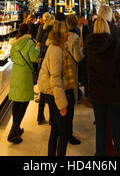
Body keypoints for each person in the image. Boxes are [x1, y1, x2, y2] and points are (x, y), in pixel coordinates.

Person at [84, 17, 120, 156]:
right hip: (114, 93)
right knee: (117, 130)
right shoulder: (116, 45)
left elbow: (87, 70)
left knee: (101, 129)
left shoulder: (89, 46)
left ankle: (100, 155)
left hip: (97, 93)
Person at [38, 20, 76, 156]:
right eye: (66, 32)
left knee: (55, 129)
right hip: (55, 94)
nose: (68, 34)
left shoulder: (59, 48)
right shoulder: (56, 50)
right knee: (63, 132)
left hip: (55, 92)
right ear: (61, 34)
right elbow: (55, 77)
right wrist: (62, 104)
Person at [7, 23, 40, 144]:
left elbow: (12, 58)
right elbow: (33, 58)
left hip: (16, 74)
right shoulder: (29, 42)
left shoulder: (14, 44)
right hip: (25, 74)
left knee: (16, 102)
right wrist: (38, 47)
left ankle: (16, 127)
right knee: (23, 103)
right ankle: (13, 131)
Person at [65, 14, 84, 145]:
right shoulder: (75, 38)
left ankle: (63, 130)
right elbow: (78, 57)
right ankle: (68, 133)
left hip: (63, 69)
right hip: (71, 69)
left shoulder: (63, 36)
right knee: (70, 101)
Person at [37, 13, 56, 124]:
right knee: (51, 88)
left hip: (43, 58)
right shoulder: (52, 30)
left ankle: (40, 115)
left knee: (43, 88)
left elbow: (39, 42)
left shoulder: (42, 28)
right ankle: (52, 118)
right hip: (49, 59)